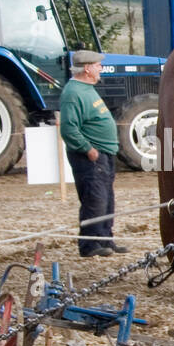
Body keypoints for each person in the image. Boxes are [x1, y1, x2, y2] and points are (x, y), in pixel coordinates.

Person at [59, 50, 127, 257]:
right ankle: (89, 245)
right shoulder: (73, 93)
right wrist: (88, 149)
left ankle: (105, 238)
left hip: (103, 154)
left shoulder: (86, 88)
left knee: (106, 199)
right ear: (87, 68)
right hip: (90, 157)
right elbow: (69, 128)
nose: (101, 69)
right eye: (98, 66)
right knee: (94, 199)